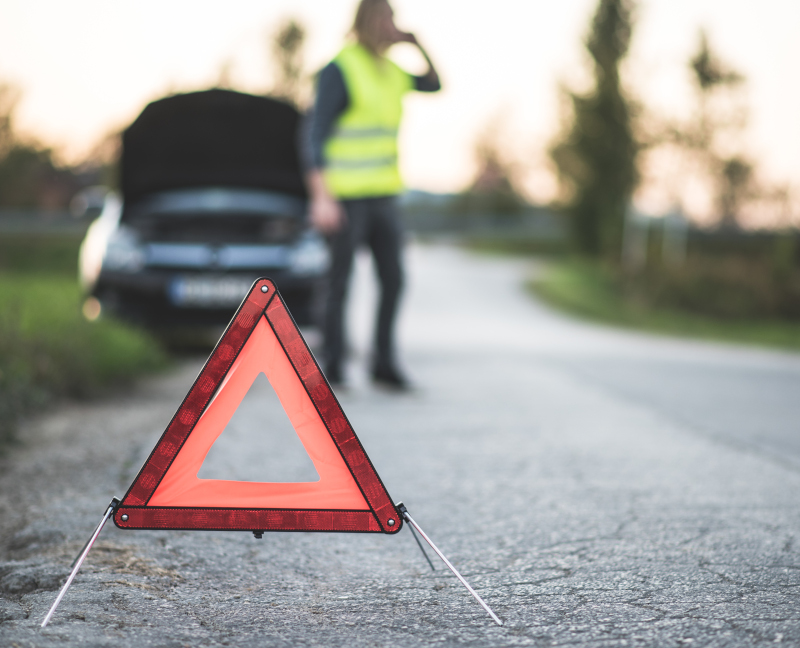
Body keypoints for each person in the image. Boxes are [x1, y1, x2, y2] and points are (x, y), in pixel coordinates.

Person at [301, 0, 440, 389]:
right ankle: (332, 365)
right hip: (343, 197)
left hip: (383, 196)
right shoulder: (340, 69)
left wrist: (418, 44)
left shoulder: (393, 72)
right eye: (386, 18)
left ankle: (383, 362)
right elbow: (313, 135)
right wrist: (321, 196)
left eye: (394, 19)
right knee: (339, 282)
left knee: (393, 279)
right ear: (367, 21)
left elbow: (435, 84)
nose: (391, 25)